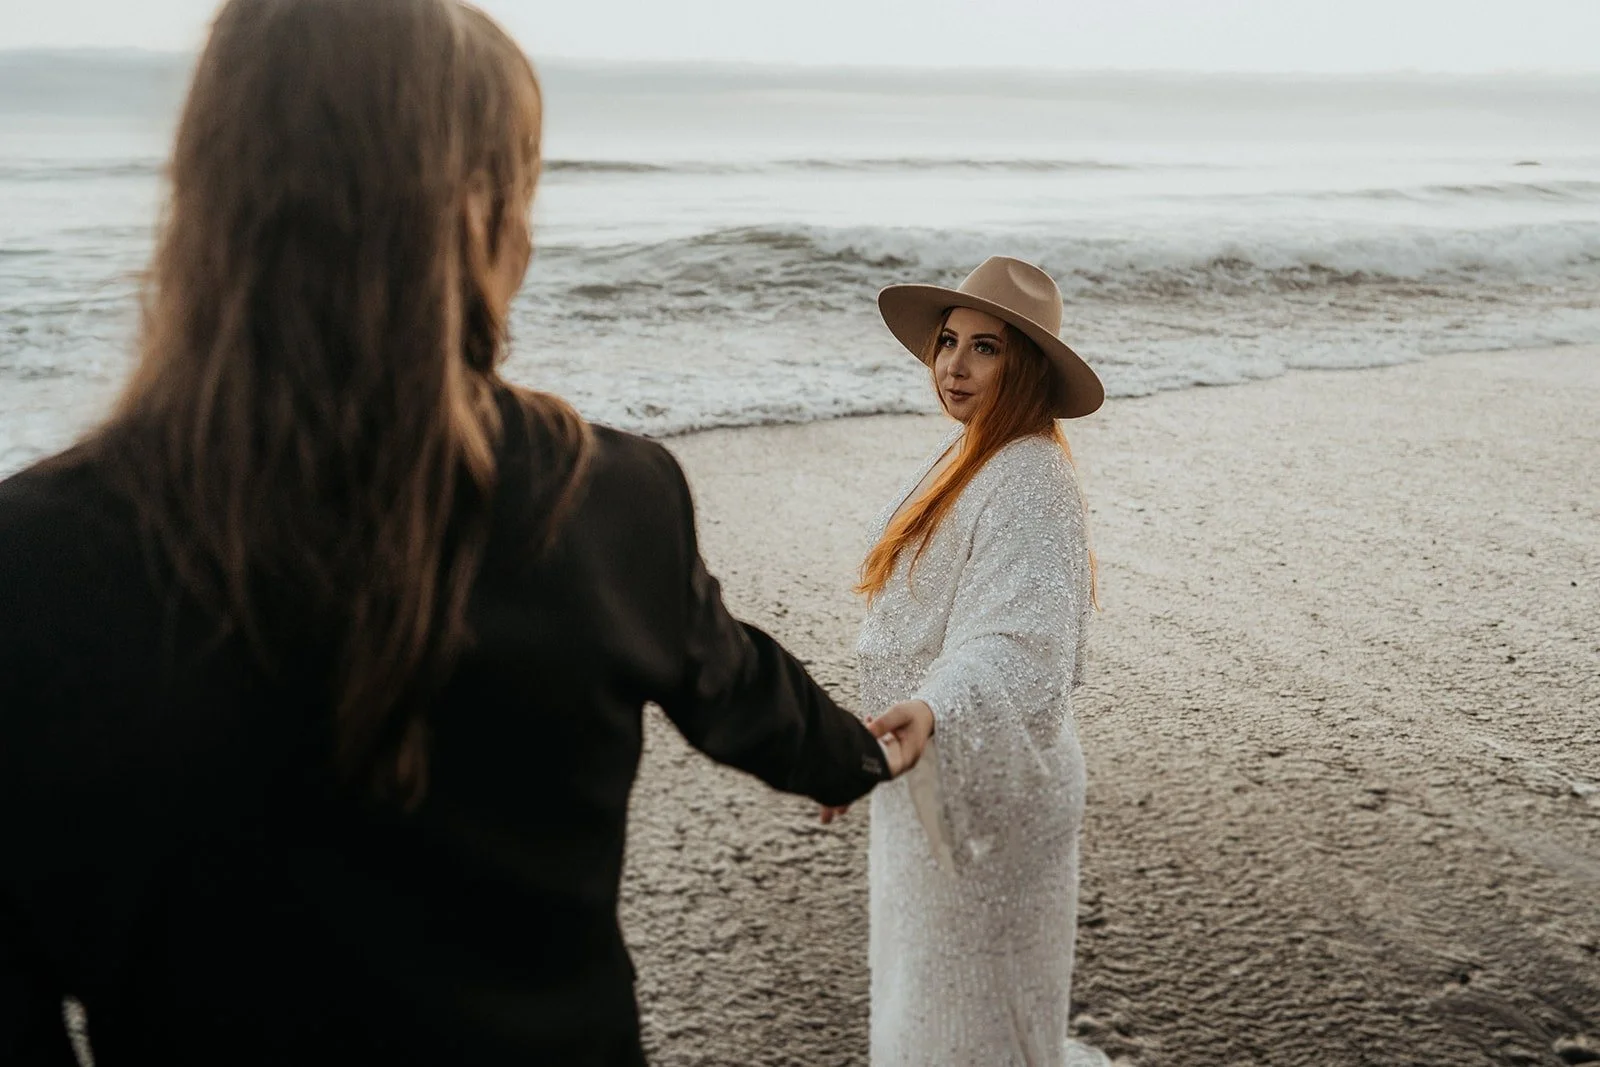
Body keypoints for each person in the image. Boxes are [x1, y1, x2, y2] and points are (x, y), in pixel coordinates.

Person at [0, 3, 924, 1064]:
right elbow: (732, 687)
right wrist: (857, 753)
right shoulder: (606, 499)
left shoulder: (30, 563)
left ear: (207, 201)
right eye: (523, 187)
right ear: (478, 213)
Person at [852, 256, 1110, 1065]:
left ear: (1024, 364)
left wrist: (934, 709)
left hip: (990, 802)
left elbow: (1018, 642)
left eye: (985, 348)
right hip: (928, 773)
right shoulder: (971, 455)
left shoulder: (1030, 474)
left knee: (970, 1019)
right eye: (948, 342)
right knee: (924, 997)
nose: (954, 366)